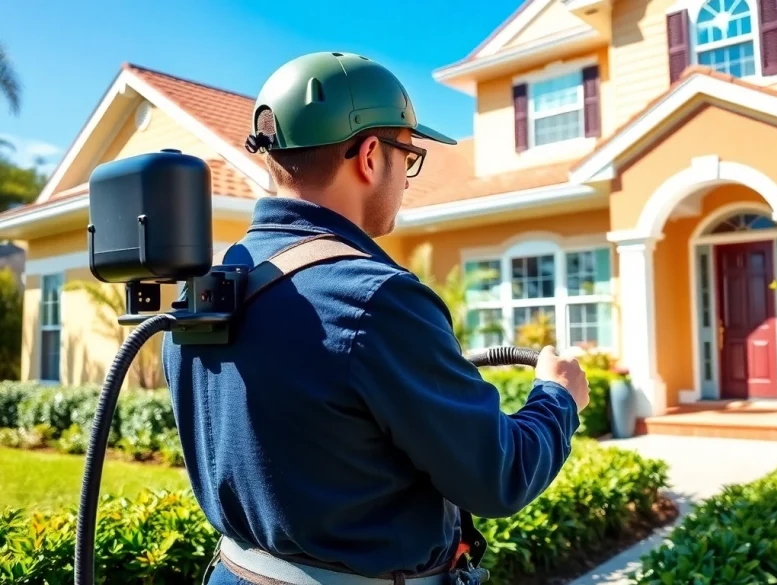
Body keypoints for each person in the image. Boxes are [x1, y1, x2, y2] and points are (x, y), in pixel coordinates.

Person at [161, 51, 591, 585]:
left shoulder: (204, 293)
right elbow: (498, 476)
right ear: (369, 155)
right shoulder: (376, 300)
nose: (407, 181)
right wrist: (558, 398)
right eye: (407, 155)